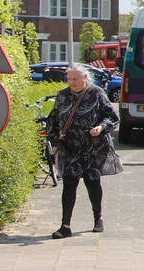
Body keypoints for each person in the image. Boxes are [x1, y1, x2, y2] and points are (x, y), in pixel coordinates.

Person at [46, 64, 120, 238]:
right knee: (69, 185)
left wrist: (101, 127)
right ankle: (65, 225)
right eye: (69, 79)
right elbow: (54, 118)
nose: (71, 83)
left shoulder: (97, 93)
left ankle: (98, 217)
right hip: (70, 147)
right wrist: (54, 139)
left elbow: (112, 116)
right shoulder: (62, 95)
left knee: (92, 182)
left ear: (85, 78)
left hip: (94, 146)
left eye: (75, 79)